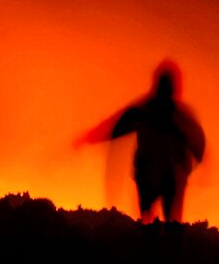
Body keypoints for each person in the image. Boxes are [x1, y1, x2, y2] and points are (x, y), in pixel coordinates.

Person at [78, 60, 206, 222]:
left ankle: (161, 240)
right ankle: (161, 240)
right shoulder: (155, 112)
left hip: (165, 175)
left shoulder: (162, 113)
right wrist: (90, 137)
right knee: (162, 220)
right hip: (153, 174)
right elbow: (117, 127)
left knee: (166, 220)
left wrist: (90, 138)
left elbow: (117, 127)